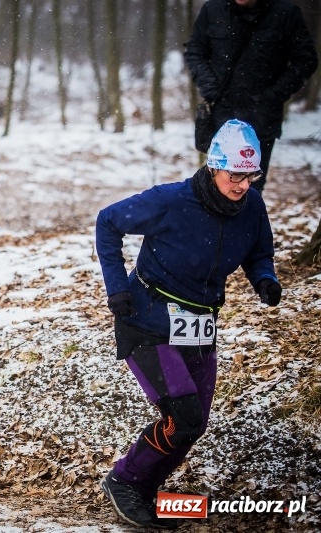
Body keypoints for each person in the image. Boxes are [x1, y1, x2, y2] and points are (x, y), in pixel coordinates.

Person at [95, 119, 282, 529]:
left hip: (200, 324)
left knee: (192, 423)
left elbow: (258, 251)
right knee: (184, 418)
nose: (243, 185)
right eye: (235, 175)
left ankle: (142, 489)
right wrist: (116, 287)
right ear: (214, 166)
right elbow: (107, 222)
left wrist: (264, 279)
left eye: (251, 176)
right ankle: (125, 481)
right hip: (145, 320)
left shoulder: (252, 206)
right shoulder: (171, 200)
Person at [184, 0, 317, 192]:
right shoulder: (212, 10)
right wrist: (210, 88)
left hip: (262, 118)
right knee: (215, 188)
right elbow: (195, 53)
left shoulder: (286, 13)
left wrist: (273, 95)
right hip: (219, 114)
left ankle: (247, 222)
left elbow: (305, 60)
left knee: (249, 189)